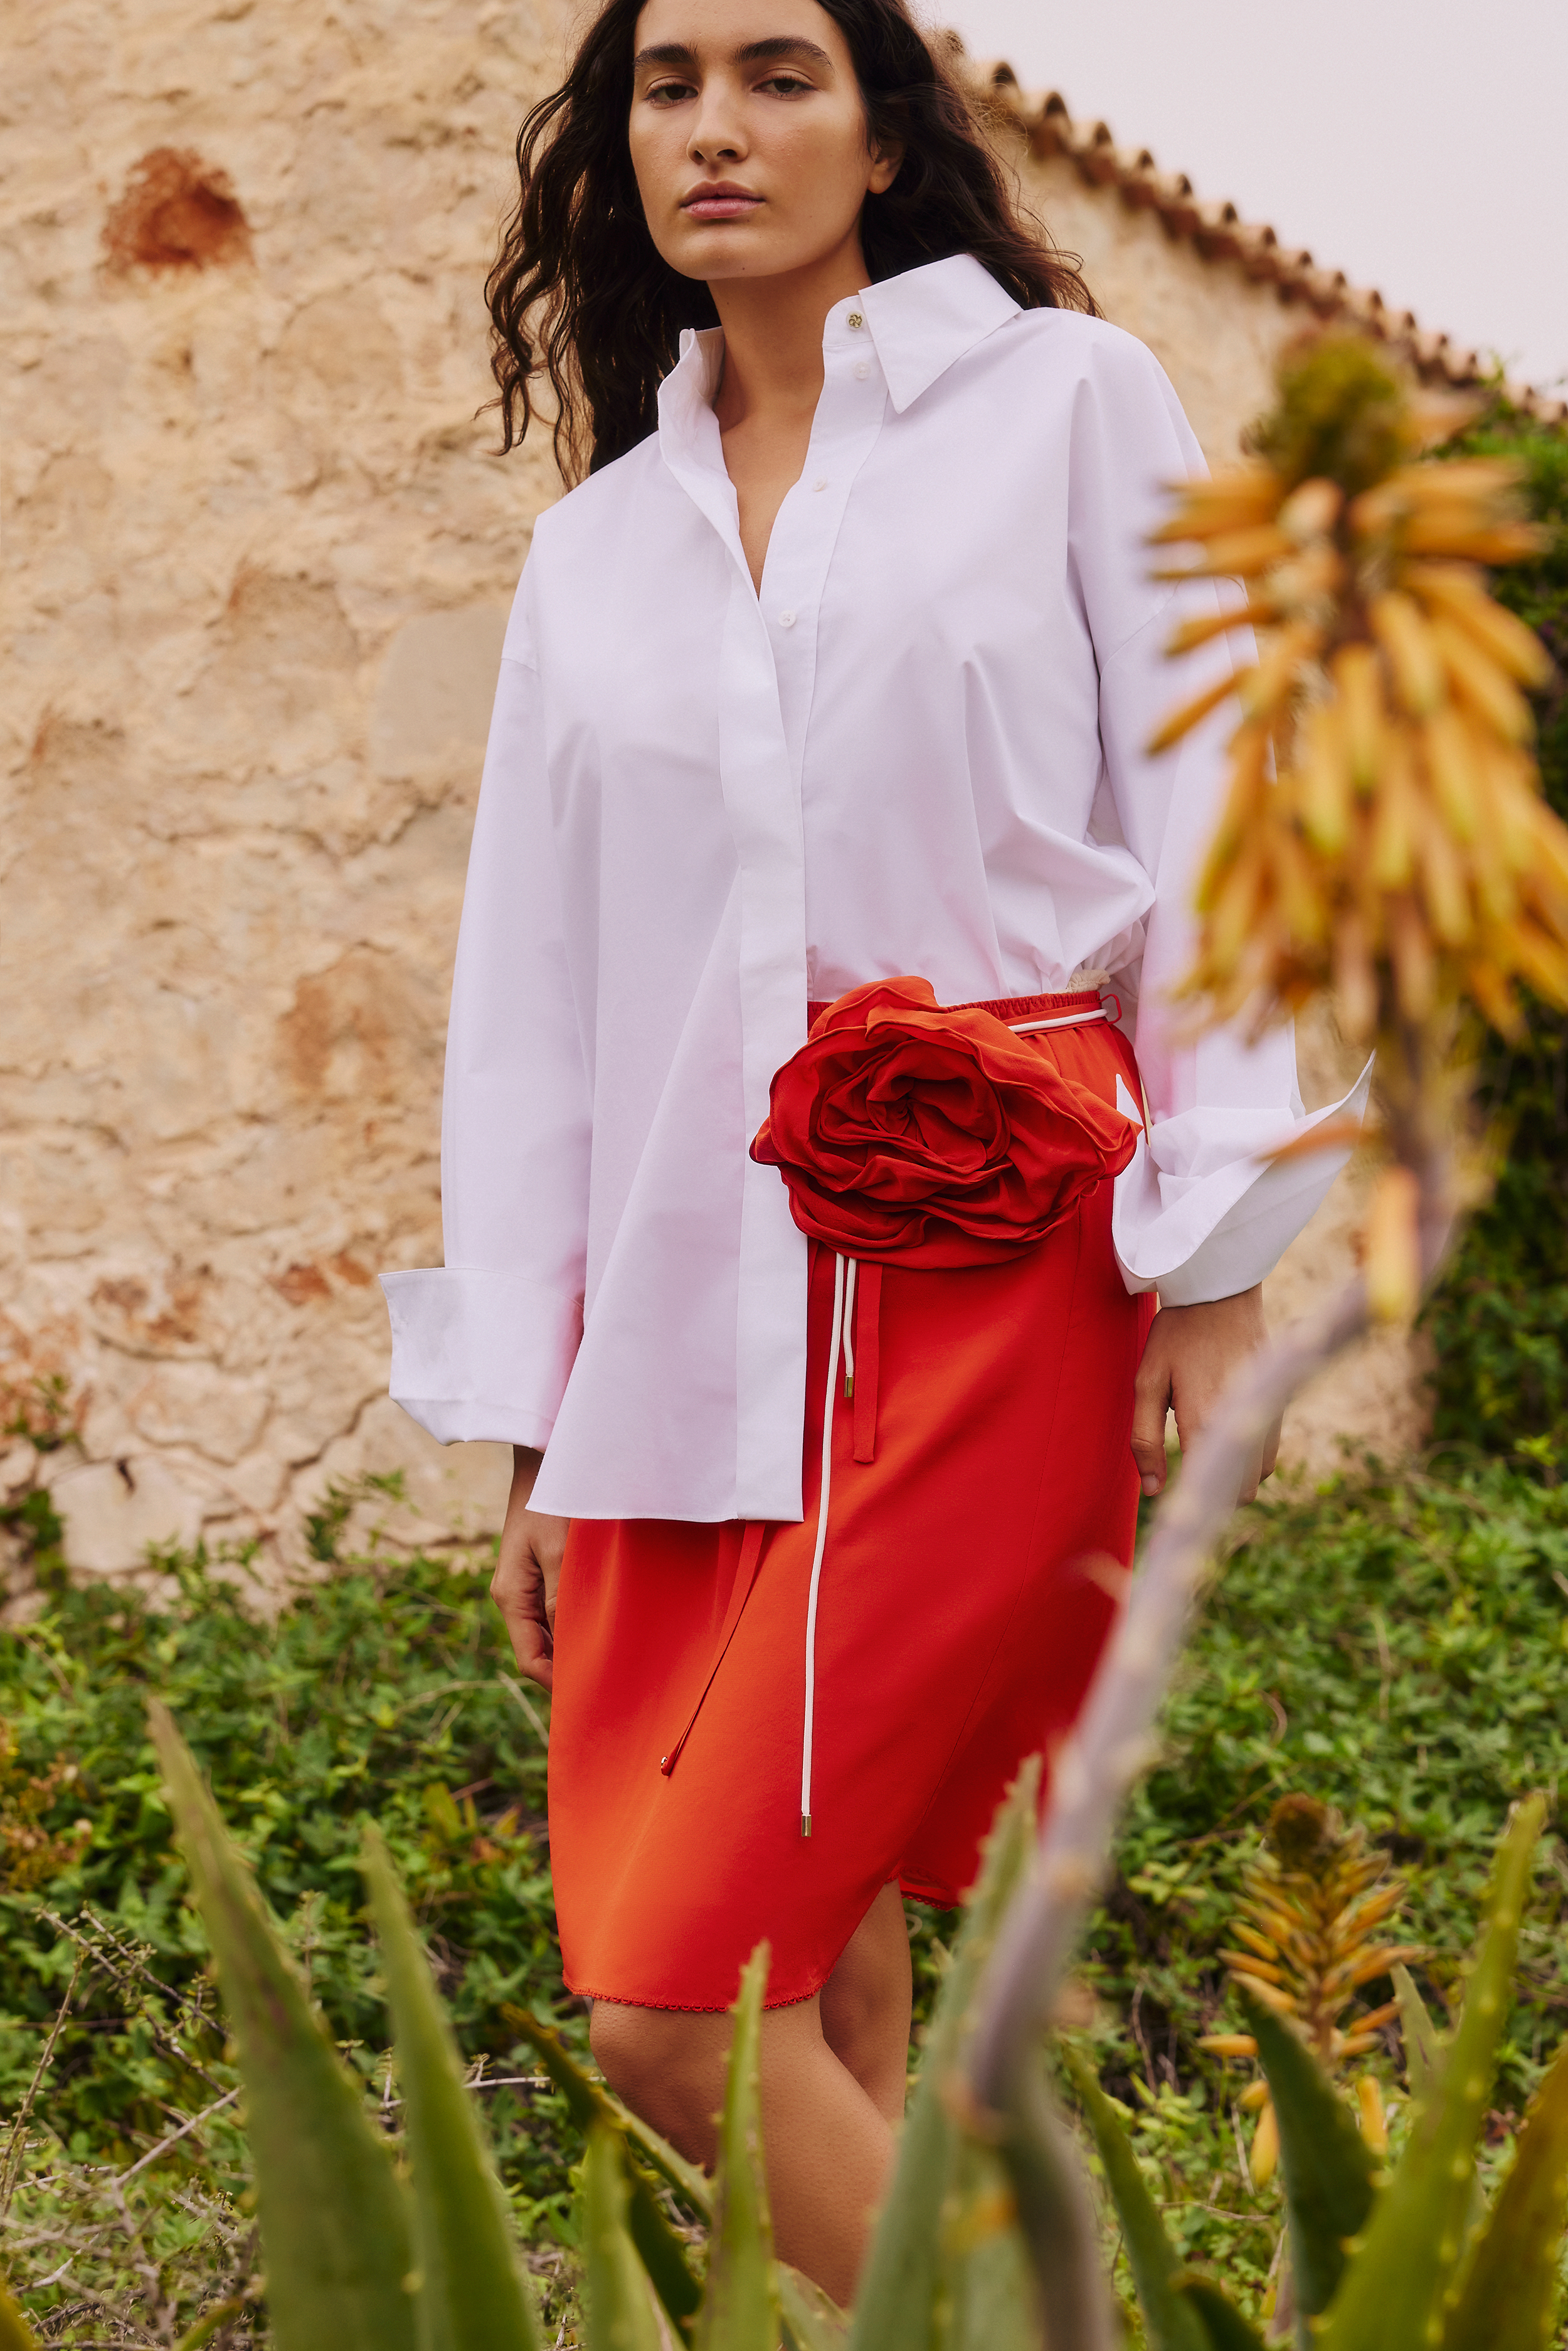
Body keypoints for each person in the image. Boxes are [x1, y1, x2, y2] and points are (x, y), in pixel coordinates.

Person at [382, 0, 1363, 2302]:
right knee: (809, 1966)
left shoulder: (1068, 406)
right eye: (666, 85)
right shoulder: (593, 554)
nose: (714, 129)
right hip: (674, 1342)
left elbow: (1215, 824)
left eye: (779, 73)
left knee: (663, 2015)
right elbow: (534, 1006)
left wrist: (1216, 1263)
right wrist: (533, 1433)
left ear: (888, 137)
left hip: (988, 1268)